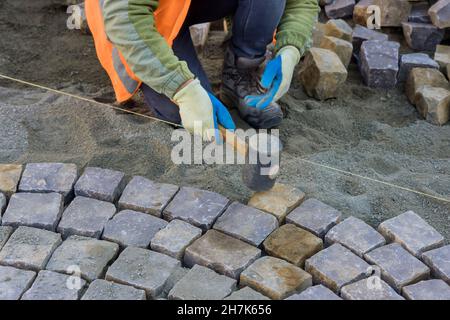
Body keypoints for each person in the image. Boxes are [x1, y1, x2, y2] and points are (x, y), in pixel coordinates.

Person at [86, 0, 319, 141]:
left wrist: (291, 48)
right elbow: (124, 19)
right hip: (145, 15)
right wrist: (181, 87)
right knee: (187, 114)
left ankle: (240, 73)